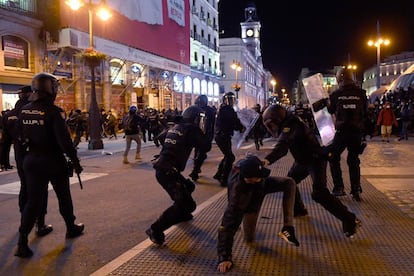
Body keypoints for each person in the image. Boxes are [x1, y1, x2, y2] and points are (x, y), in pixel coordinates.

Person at [261, 104, 361, 237]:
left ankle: (350, 219)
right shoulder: (290, 121)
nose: (272, 129)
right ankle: (299, 209)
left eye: (272, 125)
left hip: (315, 160)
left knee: (319, 193)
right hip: (303, 161)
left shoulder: (291, 125)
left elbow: (283, 146)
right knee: (289, 182)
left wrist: (266, 160)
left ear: (278, 119)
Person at [14, 73, 84, 258]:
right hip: (52, 161)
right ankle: (71, 227)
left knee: (33, 202)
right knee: (63, 197)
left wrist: (22, 164)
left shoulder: (24, 110)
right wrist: (75, 162)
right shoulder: (53, 112)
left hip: (31, 160)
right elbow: (65, 142)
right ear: (48, 89)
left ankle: (22, 242)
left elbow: (19, 138)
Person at [217, 155, 299, 273]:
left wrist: (264, 161)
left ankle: (288, 227)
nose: (261, 178)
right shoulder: (238, 197)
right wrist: (224, 257)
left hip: (259, 190)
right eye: (257, 178)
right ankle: (243, 221)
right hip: (248, 205)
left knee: (289, 182)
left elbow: (254, 164)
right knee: (249, 238)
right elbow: (226, 226)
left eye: (261, 176)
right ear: (248, 179)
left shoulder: (254, 168)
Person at [146, 105, 210, 246]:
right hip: (168, 173)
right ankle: (155, 229)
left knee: (189, 186)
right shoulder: (191, 129)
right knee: (188, 205)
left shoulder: (176, 127)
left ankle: (181, 213)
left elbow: (161, 138)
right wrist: (208, 130)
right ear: (194, 119)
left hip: (164, 170)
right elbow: (206, 146)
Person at [3, 86, 53, 237]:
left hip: (20, 156)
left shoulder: (9, 115)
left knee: (25, 187)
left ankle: (24, 219)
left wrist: (4, 160)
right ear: (30, 94)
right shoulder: (35, 110)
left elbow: (5, 141)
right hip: (36, 155)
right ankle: (40, 223)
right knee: (41, 189)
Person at [324, 67, 368, 201]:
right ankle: (356, 189)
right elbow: (365, 112)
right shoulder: (361, 93)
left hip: (342, 132)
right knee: (353, 160)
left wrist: (325, 102)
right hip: (356, 133)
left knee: (333, 157)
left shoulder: (336, 94)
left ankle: (339, 187)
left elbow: (330, 111)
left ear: (339, 79)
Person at [213, 92, 245, 187]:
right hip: (223, 136)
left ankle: (219, 174)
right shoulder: (227, 110)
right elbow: (234, 121)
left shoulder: (223, 108)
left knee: (227, 155)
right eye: (229, 99)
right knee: (230, 157)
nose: (231, 101)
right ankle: (224, 178)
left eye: (232, 99)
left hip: (222, 135)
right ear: (225, 100)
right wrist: (241, 127)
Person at [189, 94, 216, 181]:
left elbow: (211, 122)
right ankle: (195, 170)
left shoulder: (209, 110)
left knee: (200, 152)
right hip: (198, 134)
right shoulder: (195, 109)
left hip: (205, 134)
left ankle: (195, 170)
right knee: (199, 153)